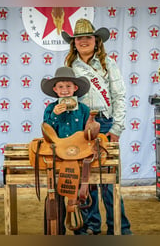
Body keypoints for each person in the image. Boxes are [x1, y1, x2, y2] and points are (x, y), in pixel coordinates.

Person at [61, 18, 133, 235]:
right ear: (74, 43)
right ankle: (91, 225)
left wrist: (116, 129)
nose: (83, 41)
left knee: (109, 181)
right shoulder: (70, 67)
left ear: (96, 41)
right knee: (85, 179)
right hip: (79, 125)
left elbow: (119, 96)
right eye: (79, 38)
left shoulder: (108, 64)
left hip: (104, 123)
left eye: (87, 37)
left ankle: (118, 226)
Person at [41, 66, 91, 235]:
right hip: (58, 153)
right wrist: (54, 115)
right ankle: (55, 230)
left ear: (75, 88)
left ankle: (82, 229)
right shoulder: (50, 108)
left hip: (78, 153)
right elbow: (47, 131)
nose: (64, 90)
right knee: (54, 192)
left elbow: (87, 132)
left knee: (81, 191)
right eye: (60, 87)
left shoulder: (84, 109)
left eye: (68, 86)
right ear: (55, 90)